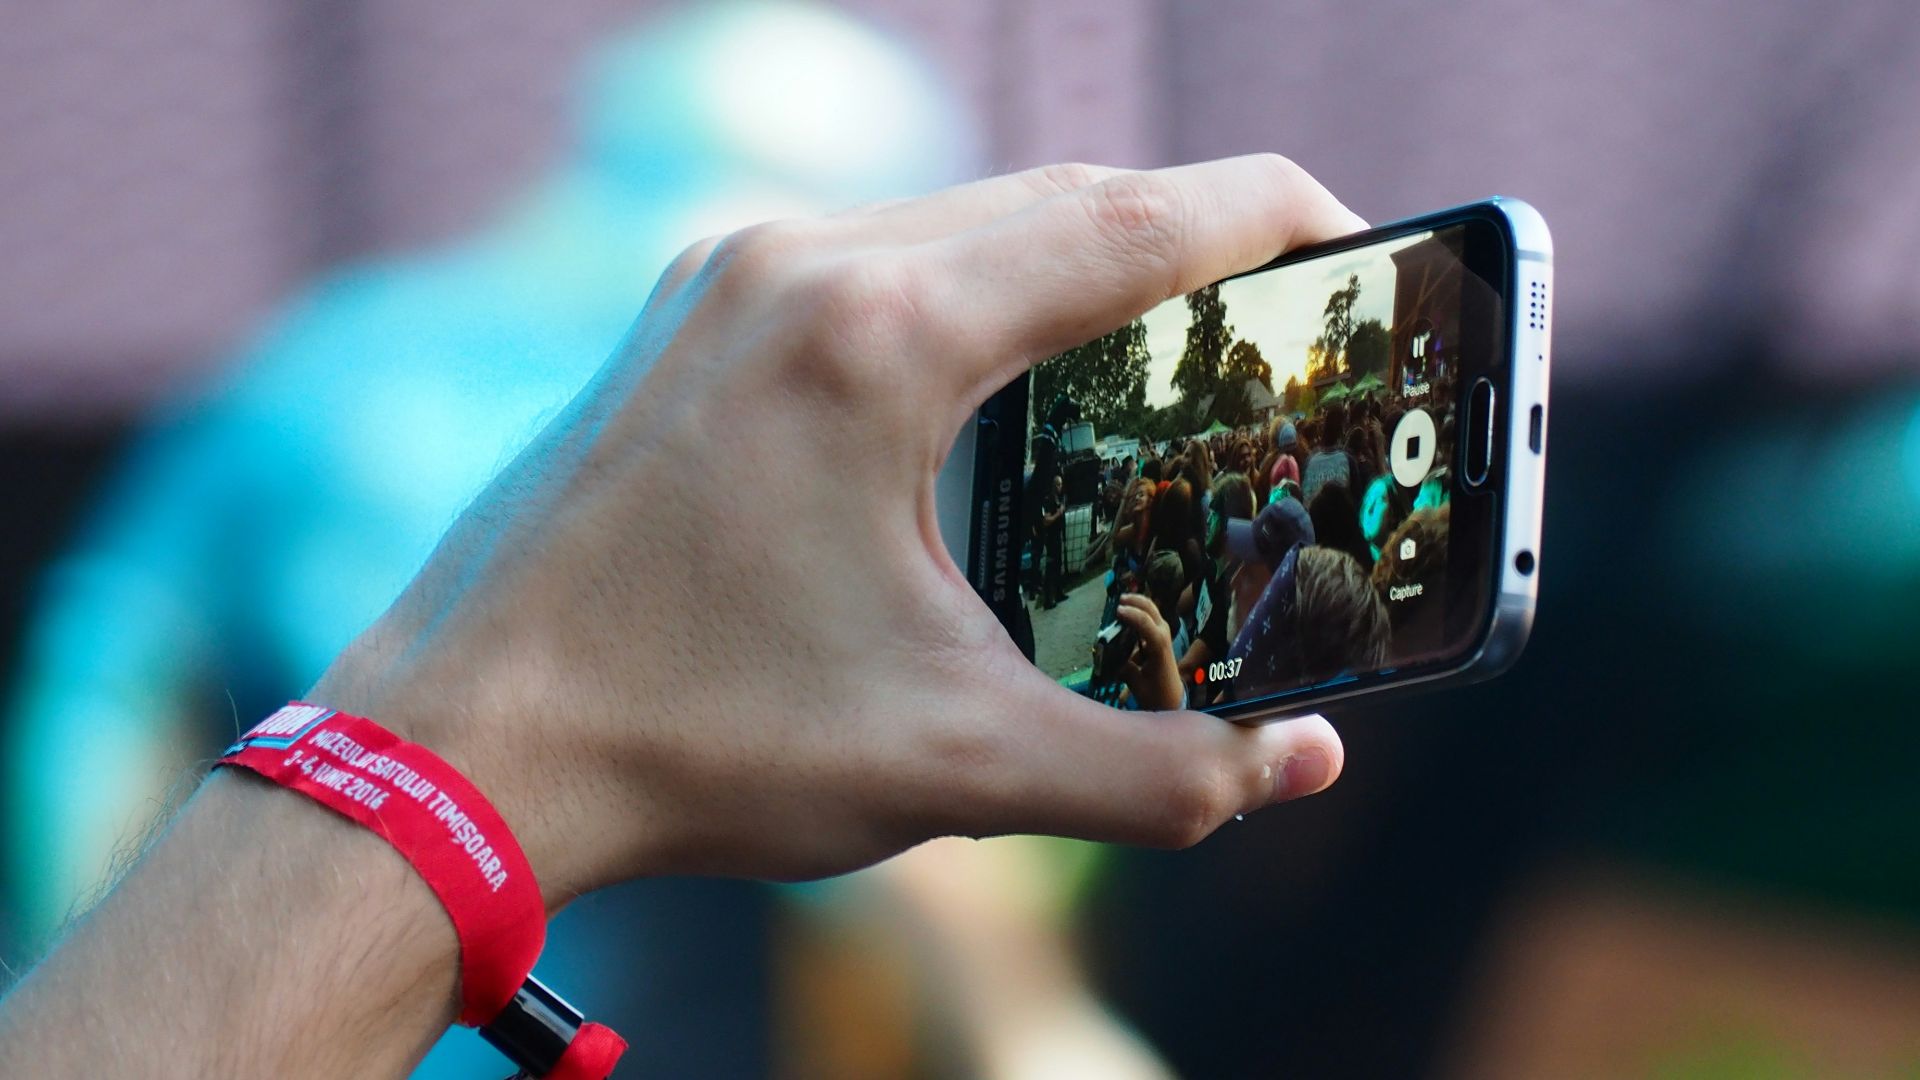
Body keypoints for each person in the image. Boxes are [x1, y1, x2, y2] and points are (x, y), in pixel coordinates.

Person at [0, 155, 1360, 1077]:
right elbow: (915, 888)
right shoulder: (756, 411)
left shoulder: (312, 356)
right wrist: (1040, 1028)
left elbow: (96, 683)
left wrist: (93, 972)